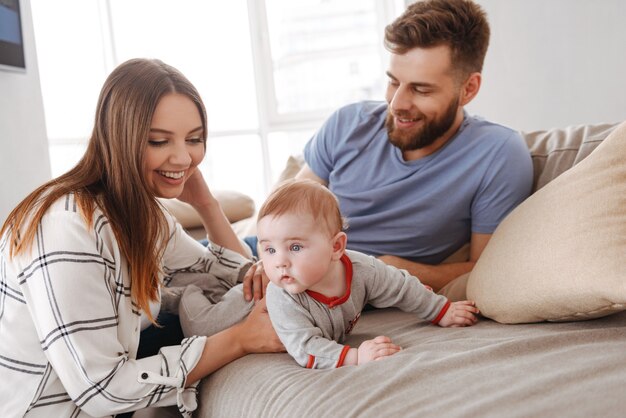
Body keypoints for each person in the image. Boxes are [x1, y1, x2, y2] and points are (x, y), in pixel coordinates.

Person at [0, 58, 282, 418]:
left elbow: (229, 270)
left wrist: (206, 204)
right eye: (158, 141)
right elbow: (102, 391)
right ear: (120, 138)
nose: (183, 157)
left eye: (194, 139)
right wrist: (240, 339)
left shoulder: (144, 214)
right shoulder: (65, 229)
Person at [243, 0, 533, 296]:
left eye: (421, 89)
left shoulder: (498, 155)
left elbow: (486, 266)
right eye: (394, 82)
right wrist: (261, 259)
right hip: (269, 260)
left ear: (468, 89)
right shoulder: (348, 123)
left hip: (326, 287)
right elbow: (283, 213)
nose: (397, 104)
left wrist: (388, 269)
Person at [259, 179, 479, 369]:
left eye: (295, 247)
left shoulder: (362, 269)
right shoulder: (282, 295)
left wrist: (441, 310)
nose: (279, 262)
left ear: (336, 247)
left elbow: (401, 286)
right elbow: (305, 348)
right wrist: (356, 356)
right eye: (269, 250)